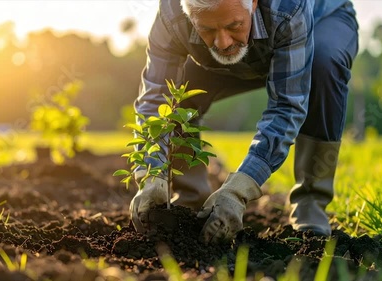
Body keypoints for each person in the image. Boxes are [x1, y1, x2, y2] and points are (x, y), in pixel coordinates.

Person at [130, 0, 358, 244]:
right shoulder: (171, 14)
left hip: (322, 22)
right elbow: (155, 100)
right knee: (176, 91)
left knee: (324, 63)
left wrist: (239, 189)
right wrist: (151, 171)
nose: (223, 42)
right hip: (234, 55)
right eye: (206, 29)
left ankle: (311, 205)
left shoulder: (288, 7)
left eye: (234, 26)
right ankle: (189, 199)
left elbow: (286, 107)